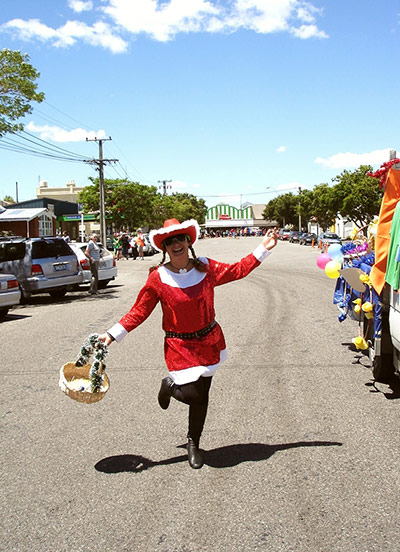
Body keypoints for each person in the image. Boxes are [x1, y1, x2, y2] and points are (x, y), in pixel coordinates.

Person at [98, 218, 278, 469]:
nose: (176, 244)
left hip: (209, 340)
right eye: (169, 241)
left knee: (202, 397)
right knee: (193, 394)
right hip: (180, 346)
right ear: (164, 248)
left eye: (180, 238)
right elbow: (140, 310)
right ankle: (169, 386)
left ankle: (193, 442)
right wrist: (112, 334)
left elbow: (238, 270)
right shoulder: (158, 278)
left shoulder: (205, 267)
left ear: (188, 241)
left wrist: (264, 247)